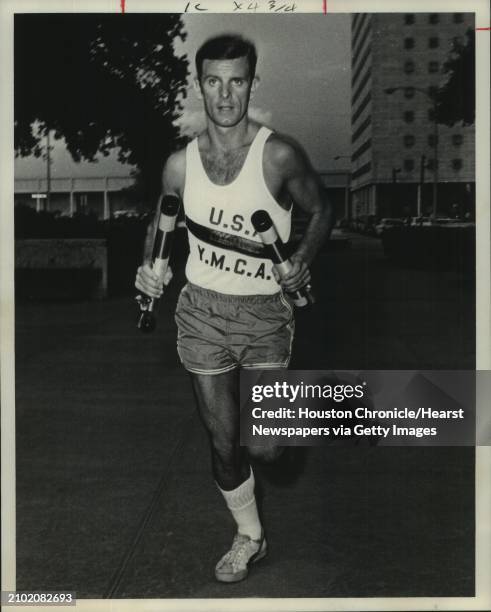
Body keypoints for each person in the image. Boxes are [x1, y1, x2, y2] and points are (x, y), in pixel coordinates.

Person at [135, 34, 334, 583]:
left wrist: (300, 257)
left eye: (237, 80)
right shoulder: (180, 164)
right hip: (201, 312)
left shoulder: (278, 154)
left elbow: (321, 210)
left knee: (266, 448)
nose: (225, 94)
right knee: (224, 445)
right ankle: (249, 536)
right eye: (214, 81)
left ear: (252, 82)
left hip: (265, 314)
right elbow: (160, 223)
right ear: (200, 84)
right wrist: (150, 268)